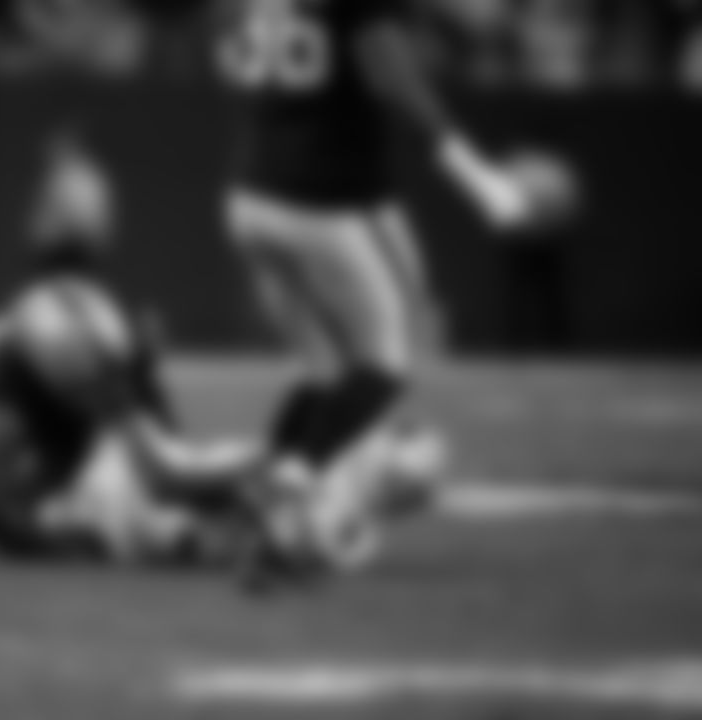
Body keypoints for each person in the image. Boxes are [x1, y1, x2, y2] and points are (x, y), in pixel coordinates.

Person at [214, 0, 573, 577]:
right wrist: (481, 181)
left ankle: (252, 511)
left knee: (325, 374)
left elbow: (240, 54)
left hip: (247, 196)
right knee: (385, 363)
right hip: (310, 200)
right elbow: (394, 80)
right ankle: (292, 486)